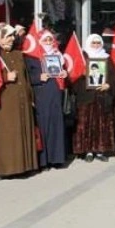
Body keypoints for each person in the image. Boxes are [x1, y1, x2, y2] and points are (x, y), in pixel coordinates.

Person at [0, 23, 39, 178]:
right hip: (4, 103)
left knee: (22, 130)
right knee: (7, 133)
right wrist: (5, 77)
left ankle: (25, 165)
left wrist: (30, 96)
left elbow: (26, 78)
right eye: (7, 36)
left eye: (12, 36)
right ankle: (6, 169)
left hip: (21, 100)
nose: (11, 39)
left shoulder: (18, 54)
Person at [73, 34, 115, 163]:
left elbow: (114, 76)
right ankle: (88, 151)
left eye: (98, 43)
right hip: (86, 96)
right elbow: (73, 76)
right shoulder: (83, 57)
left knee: (101, 124)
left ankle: (100, 150)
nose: (96, 45)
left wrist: (108, 84)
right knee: (86, 124)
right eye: (93, 43)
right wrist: (81, 75)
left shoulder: (107, 58)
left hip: (102, 97)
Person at [27, 29, 67, 169]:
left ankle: (57, 158)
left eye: (51, 40)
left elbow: (64, 73)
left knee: (56, 124)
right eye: (45, 40)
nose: (49, 42)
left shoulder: (58, 56)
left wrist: (64, 72)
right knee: (43, 125)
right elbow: (27, 78)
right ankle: (44, 160)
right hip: (41, 94)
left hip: (55, 93)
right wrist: (38, 78)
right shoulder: (32, 57)